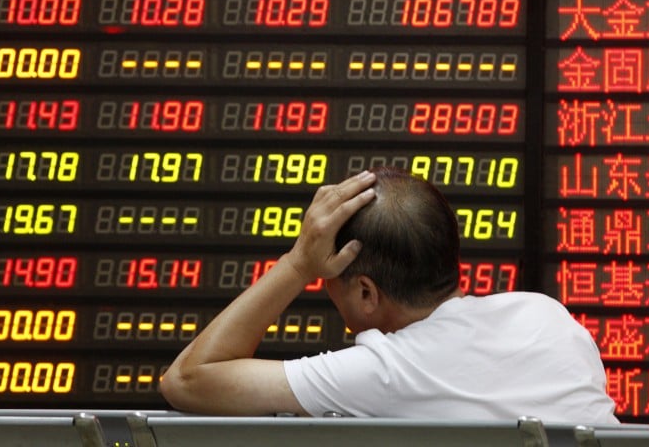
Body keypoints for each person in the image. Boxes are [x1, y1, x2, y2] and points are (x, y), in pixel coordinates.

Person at [160, 167, 618, 424]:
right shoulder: (547, 315)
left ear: (366, 292)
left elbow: (186, 380)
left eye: (329, 280)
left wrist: (298, 262)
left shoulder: (384, 372)